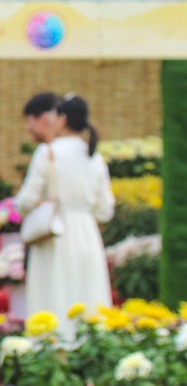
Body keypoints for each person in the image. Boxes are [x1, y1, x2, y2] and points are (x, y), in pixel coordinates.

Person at [16, 94, 115, 339]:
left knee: (53, 296)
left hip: (54, 236)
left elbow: (25, 202)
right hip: (87, 236)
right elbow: (105, 210)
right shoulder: (95, 157)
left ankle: (53, 353)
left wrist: (41, 205)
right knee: (88, 295)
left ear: (63, 119)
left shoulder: (47, 152)